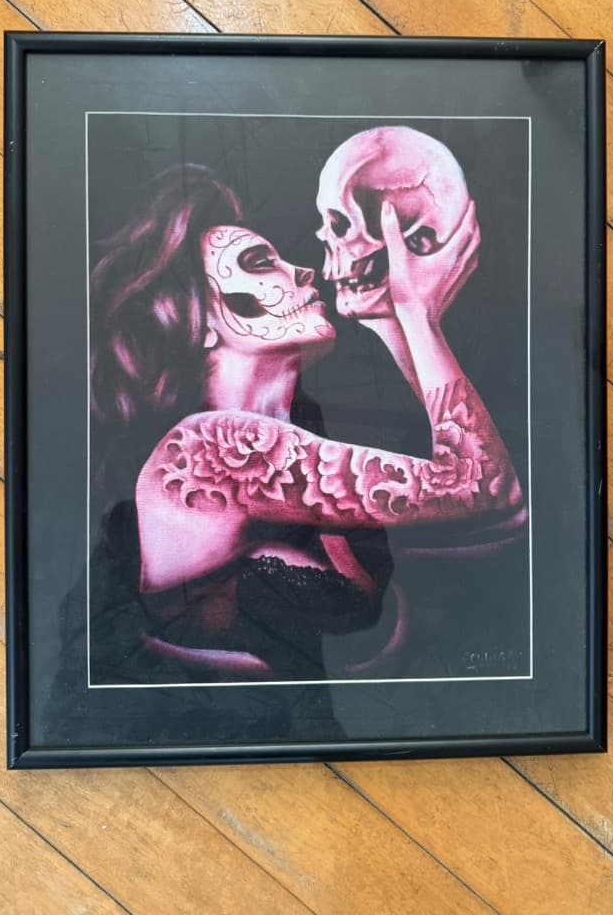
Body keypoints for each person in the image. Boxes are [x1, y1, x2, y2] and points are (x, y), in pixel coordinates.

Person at [89, 163, 524, 684]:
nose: (303, 271)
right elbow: (483, 486)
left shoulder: (300, 448)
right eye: (260, 263)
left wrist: (389, 319)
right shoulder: (212, 447)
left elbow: (497, 513)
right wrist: (417, 315)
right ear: (198, 318)